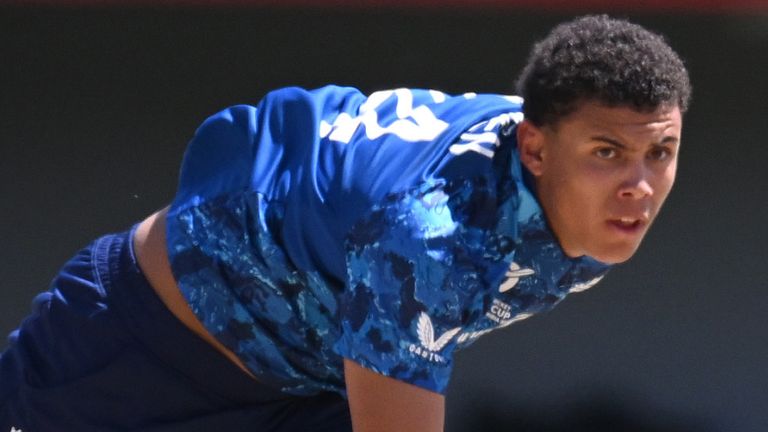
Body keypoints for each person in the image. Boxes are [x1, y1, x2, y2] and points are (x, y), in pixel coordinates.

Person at [0, 14, 690, 432]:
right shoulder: (431, 240)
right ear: (535, 149)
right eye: (608, 153)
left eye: (661, 153)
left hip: (299, 390)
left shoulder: (579, 176)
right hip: (131, 355)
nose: (639, 185)